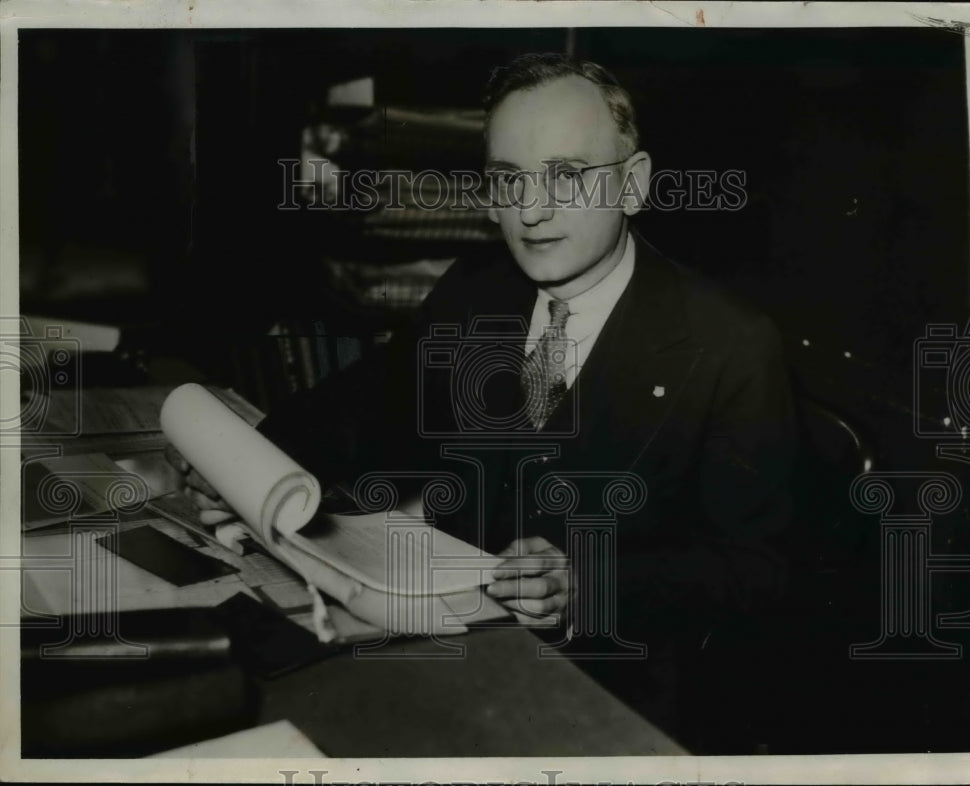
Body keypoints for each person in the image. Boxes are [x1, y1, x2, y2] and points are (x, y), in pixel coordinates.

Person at [168, 53, 796, 733]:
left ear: (633, 184)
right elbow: (368, 405)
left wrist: (586, 583)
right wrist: (249, 462)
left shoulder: (729, 344)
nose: (531, 210)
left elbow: (758, 570)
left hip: (620, 692)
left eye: (567, 175)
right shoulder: (476, 291)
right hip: (450, 646)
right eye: (509, 179)